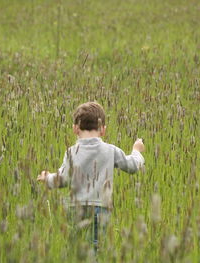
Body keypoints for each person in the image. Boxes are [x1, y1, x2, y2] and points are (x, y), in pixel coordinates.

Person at [37, 101, 145, 252]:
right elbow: (132, 166)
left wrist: (47, 177)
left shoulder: (71, 152)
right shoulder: (110, 150)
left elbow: (62, 180)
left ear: (75, 129)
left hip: (76, 208)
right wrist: (136, 151)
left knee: (76, 248)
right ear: (103, 130)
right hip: (102, 208)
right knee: (96, 246)